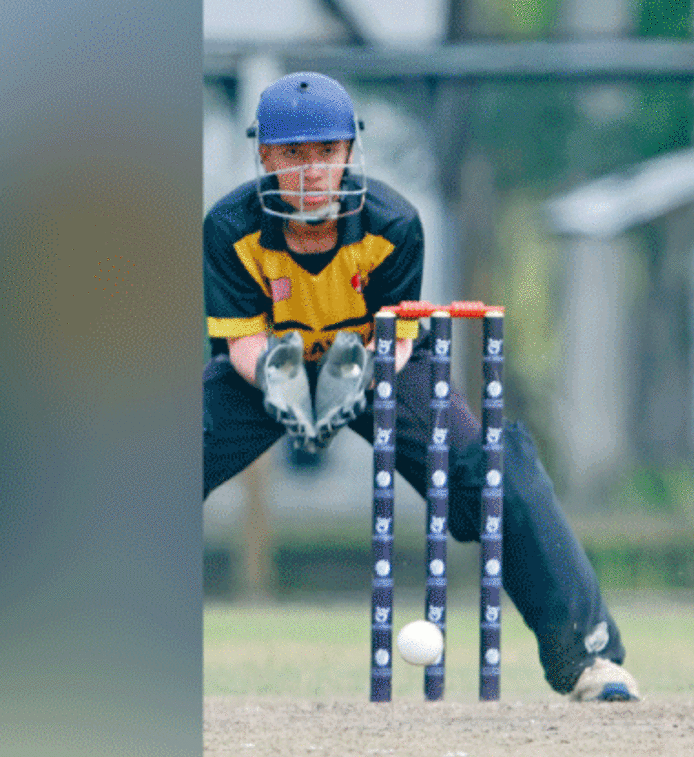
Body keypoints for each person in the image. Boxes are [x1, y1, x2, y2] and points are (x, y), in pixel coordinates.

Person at [203, 71, 641, 702]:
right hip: (271, 368)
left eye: (325, 152)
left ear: (350, 151)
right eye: (292, 155)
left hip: (381, 361)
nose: (310, 171)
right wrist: (285, 383)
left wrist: (359, 374)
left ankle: (590, 660)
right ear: (264, 157)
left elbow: (400, 332)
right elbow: (241, 341)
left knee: (496, 469)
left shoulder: (392, 221)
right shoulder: (229, 226)